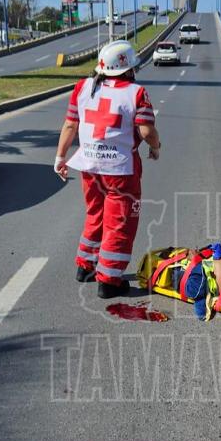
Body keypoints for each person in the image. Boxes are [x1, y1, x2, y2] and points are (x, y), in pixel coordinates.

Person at [54, 40, 160, 299]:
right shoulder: (136, 92)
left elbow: (70, 125)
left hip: (89, 166)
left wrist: (60, 157)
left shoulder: (83, 87)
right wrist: (156, 146)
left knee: (95, 214)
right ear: (127, 68)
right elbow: (146, 131)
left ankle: (86, 266)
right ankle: (110, 281)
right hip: (120, 170)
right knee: (119, 223)